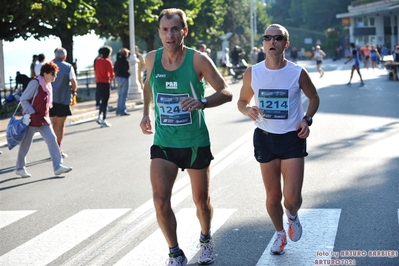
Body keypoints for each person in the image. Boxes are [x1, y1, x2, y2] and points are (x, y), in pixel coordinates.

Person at [139, 8, 233, 266]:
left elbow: (226, 92)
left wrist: (201, 102)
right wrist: (146, 113)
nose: (170, 35)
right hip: (164, 142)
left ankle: (205, 239)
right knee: (160, 200)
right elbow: (147, 86)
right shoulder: (151, 59)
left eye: (175, 29)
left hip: (194, 142)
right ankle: (175, 252)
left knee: (201, 202)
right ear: (159, 32)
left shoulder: (198, 60)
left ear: (184, 31)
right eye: (165, 30)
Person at [237, 24, 320, 256]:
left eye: (278, 37)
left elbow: (314, 98)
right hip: (265, 138)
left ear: (286, 43)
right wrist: (248, 110)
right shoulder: (252, 72)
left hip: (292, 139)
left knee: (291, 199)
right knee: (273, 197)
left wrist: (307, 120)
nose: (272, 41)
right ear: (263, 43)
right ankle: (279, 233)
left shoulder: (297, 72)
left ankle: (292, 216)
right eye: (267, 37)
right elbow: (241, 102)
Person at [16, 62, 73, 178]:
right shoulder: (35, 83)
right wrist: (31, 112)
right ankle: (20, 168)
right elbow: (23, 99)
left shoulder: (47, 84)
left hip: (43, 118)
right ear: (45, 73)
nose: (55, 76)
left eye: (56, 74)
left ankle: (58, 167)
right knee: (25, 144)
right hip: (31, 119)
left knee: (52, 139)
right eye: (53, 74)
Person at [50, 47, 78, 158]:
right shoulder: (68, 67)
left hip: (51, 99)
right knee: (61, 125)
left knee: (54, 123)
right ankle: (58, 146)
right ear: (65, 57)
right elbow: (73, 81)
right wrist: (74, 91)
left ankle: (53, 147)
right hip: (63, 98)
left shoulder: (49, 66)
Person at [95, 46, 115, 127]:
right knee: (105, 101)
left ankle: (99, 115)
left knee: (101, 101)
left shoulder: (97, 61)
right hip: (105, 82)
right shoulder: (108, 62)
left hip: (98, 81)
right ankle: (103, 119)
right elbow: (111, 73)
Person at [114, 48, 130, 116]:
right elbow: (126, 70)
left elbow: (114, 69)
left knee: (120, 95)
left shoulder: (117, 61)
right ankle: (122, 110)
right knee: (124, 95)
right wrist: (128, 74)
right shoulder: (125, 61)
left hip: (118, 78)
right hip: (124, 78)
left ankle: (118, 110)